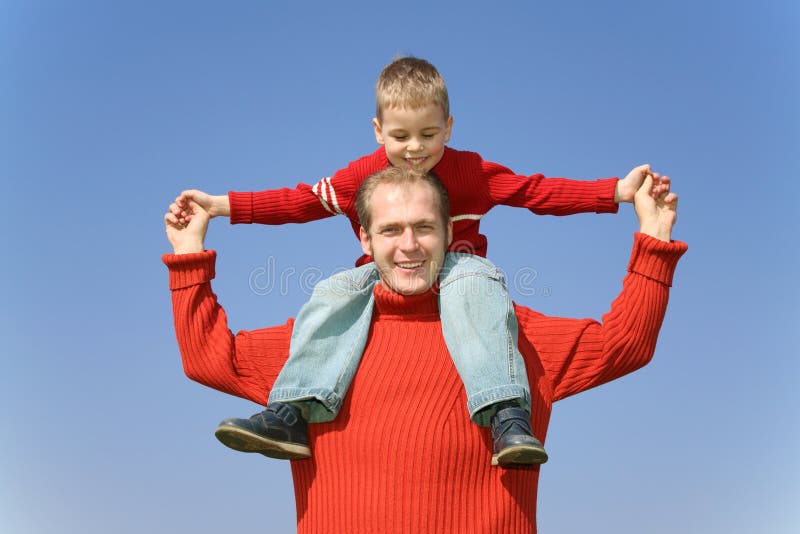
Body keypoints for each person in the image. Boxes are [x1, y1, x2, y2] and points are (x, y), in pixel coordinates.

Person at [170, 56, 668, 467]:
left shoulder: (472, 170)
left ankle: (507, 416)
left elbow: (537, 192)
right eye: (400, 136)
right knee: (335, 290)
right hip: (378, 278)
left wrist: (616, 193)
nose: (415, 149)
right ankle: (293, 412)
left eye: (429, 135)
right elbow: (298, 201)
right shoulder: (360, 176)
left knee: (473, 284)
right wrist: (220, 205)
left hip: (461, 268)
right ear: (377, 131)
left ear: (448, 126)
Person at [164, 167, 686, 533]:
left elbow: (625, 345)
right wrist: (189, 253)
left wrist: (654, 237)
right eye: (391, 229)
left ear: (449, 234)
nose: (408, 245)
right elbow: (211, 359)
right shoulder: (319, 346)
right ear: (365, 240)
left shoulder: (505, 335)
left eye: (423, 228)